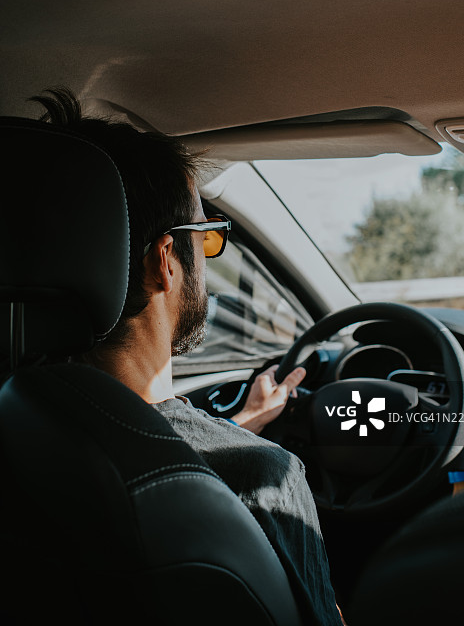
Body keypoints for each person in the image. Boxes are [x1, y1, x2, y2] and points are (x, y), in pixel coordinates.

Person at [32, 88, 344, 626]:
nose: (207, 258)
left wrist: (235, 424)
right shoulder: (262, 477)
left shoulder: (24, 424)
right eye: (207, 239)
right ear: (165, 262)